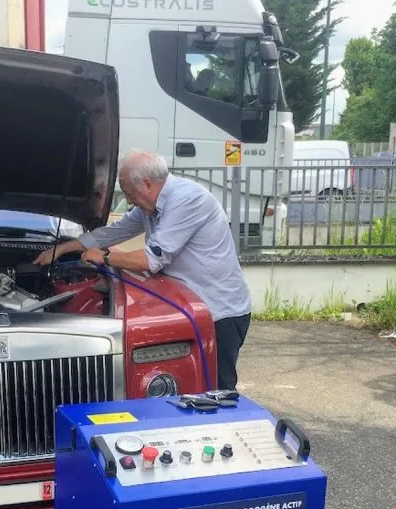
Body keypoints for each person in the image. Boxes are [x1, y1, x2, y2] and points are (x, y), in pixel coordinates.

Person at [34, 150, 253, 391]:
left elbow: (152, 259)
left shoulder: (187, 200)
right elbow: (114, 232)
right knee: (185, 390)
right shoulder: (151, 207)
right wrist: (64, 248)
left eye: (127, 192)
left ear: (147, 184)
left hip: (219, 313)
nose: (128, 201)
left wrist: (106, 257)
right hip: (186, 309)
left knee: (217, 390)